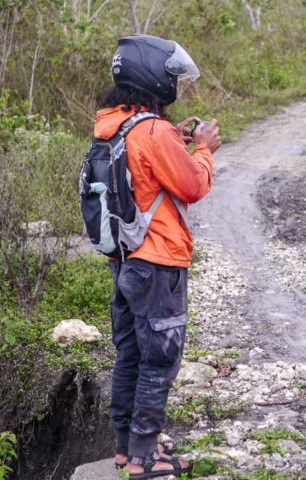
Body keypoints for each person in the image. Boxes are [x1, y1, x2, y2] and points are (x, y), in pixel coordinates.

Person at [95, 35, 221, 478]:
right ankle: (146, 459)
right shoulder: (153, 130)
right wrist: (203, 148)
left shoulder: (114, 125)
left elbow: (144, 174)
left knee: (130, 355)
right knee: (159, 361)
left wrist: (177, 140)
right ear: (152, 79)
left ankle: (126, 448)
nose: (176, 86)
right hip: (159, 262)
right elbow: (192, 186)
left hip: (124, 261)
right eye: (171, 78)